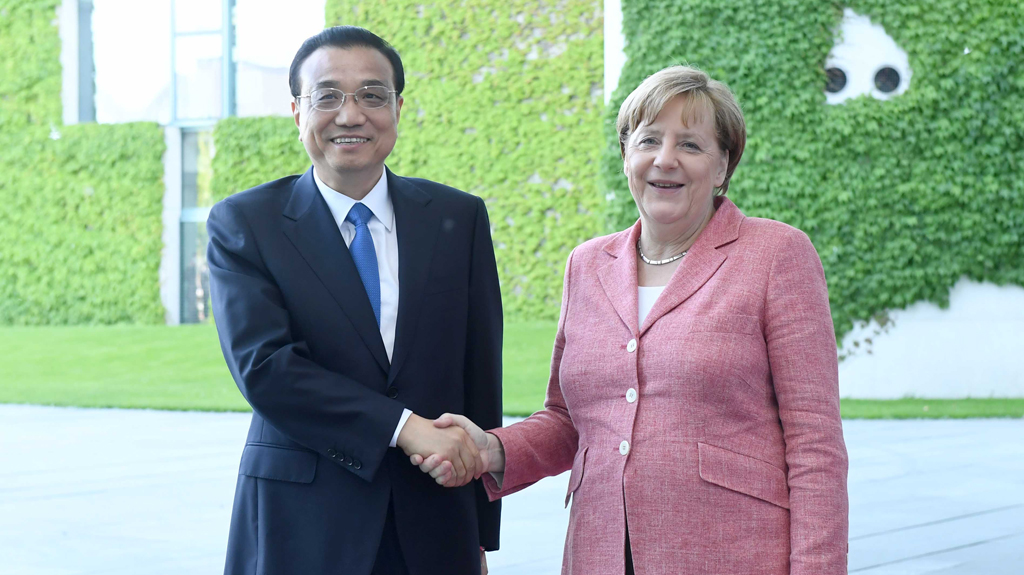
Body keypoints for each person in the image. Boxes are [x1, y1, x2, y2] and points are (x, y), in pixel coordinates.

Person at [415, 65, 849, 574]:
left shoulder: (776, 254)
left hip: (733, 555)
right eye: (648, 141)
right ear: (626, 155)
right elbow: (569, 421)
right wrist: (490, 448)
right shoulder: (586, 264)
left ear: (723, 165)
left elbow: (815, 443)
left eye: (690, 144)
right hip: (599, 554)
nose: (665, 159)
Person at [207, 26, 501, 575]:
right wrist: (403, 426)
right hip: (300, 523)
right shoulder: (246, 223)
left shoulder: (458, 218)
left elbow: (479, 377)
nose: (350, 115)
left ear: (398, 108)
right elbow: (266, 369)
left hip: (436, 519)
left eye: (371, 95)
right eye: (327, 96)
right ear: (297, 111)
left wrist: (480, 534)